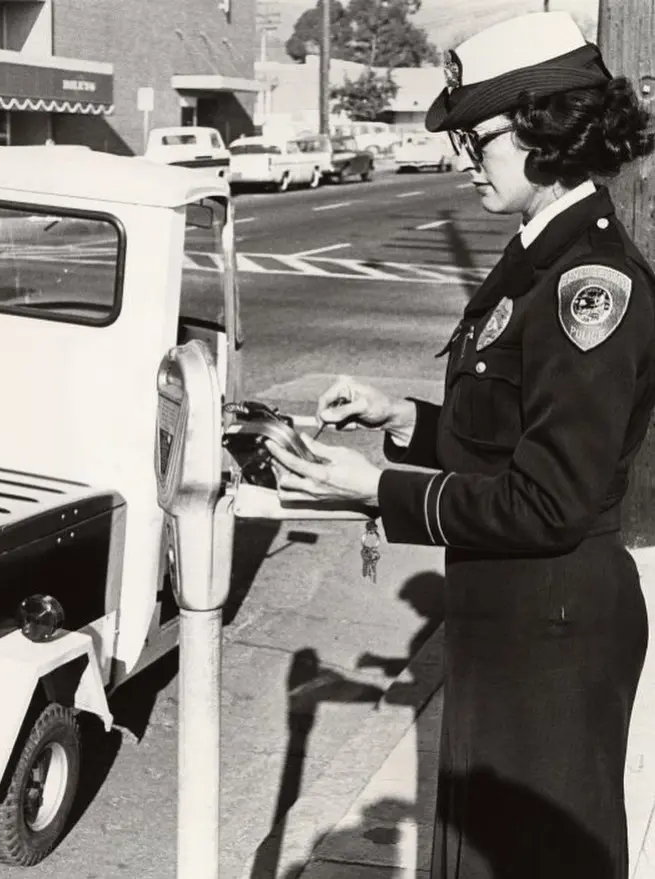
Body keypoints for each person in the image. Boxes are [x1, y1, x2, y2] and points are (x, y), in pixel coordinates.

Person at [265, 11, 655, 878]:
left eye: (478, 138)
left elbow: (549, 499)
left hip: (553, 628)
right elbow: (507, 439)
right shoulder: (535, 256)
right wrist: (402, 421)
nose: (462, 158)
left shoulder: (588, 285)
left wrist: (377, 490)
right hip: (511, 615)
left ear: (546, 128)